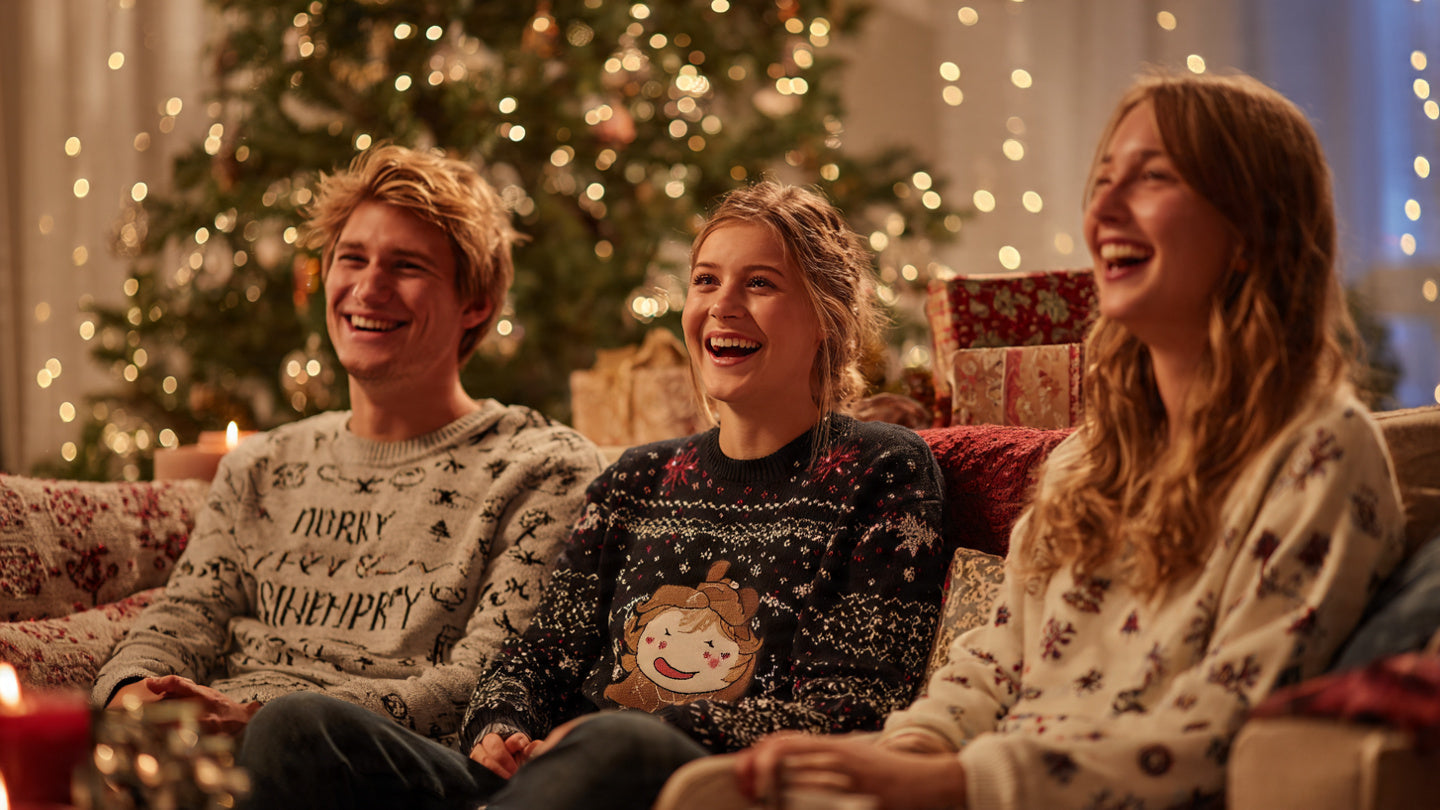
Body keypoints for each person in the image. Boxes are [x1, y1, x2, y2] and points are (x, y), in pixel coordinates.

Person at [734, 71, 1408, 809]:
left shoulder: (1319, 455)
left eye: (1152, 179)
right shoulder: (1087, 460)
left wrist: (949, 784)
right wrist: (905, 757)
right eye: (1103, 180)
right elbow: (991, 663)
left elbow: (1220, 736)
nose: (1104, 209)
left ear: (1251, 230)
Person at [234, 179, 951, 810]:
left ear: (828, 314)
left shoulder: (882, 471)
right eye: (705, 281)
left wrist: (642, 733)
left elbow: (857, 707)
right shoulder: (638, 480)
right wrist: (503, 726)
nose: (722, 306)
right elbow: (540, 652)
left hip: (692, 786)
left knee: (622, 745)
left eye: (759, 284)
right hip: (547, 780)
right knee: (297, 724)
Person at [92, 144, 606, 745]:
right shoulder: (261, 465)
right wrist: (135, 694)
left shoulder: (543, 467)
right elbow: (186, 615)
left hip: (381, 763)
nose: (367, 288)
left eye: (407, 266)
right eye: (351, 259)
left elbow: (490, 681)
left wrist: (258, 720)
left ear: (476, 305)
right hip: (209, 744)